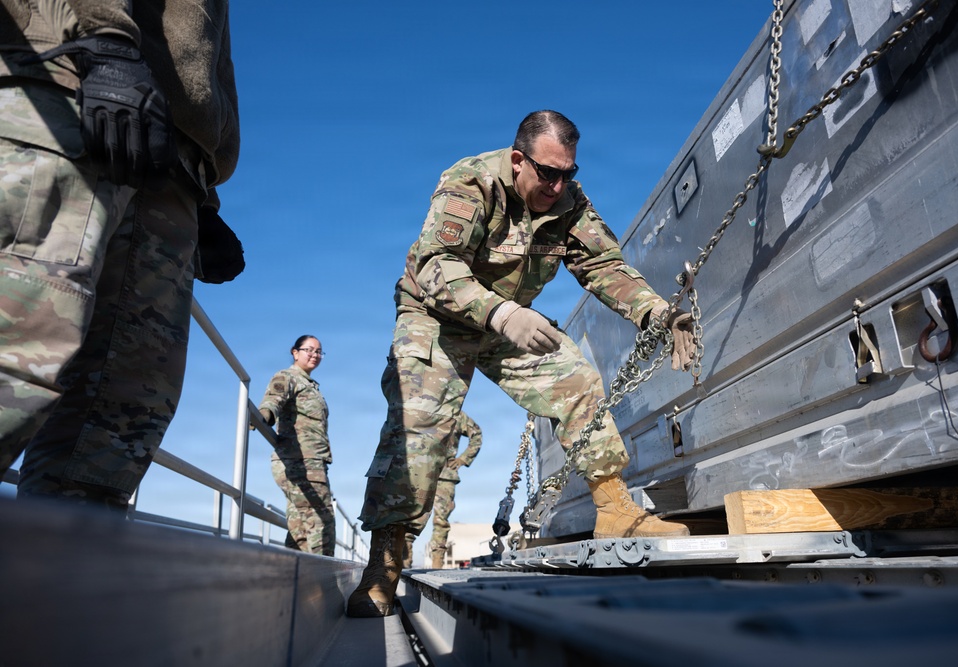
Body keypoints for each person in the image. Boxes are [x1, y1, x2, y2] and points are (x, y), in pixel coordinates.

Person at [347, 110, 696, 617]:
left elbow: (602, 265)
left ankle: (615, 509)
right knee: (418, 427)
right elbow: (435, 264)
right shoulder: (471, 182)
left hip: (506, 320)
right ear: (518, 160)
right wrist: (502, 312)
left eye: (569, 174)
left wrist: (656, 312)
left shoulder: (568, 203)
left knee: (575, 378)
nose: (558, 185)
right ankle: (383, 563)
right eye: (548, 173)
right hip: (438, 315)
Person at [0, 0, 241, 511]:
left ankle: (58, 580)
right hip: (71, 83)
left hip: (172, 158)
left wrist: (206, 190)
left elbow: (202, 48)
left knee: (120, 414)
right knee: (18, 358)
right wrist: (105, 39)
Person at [257, 336, 336, 556]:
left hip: (309, 462)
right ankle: (323, 586)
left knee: (300, 529)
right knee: (323, 521)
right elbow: (274, 398)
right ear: (295, 352)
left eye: (319, 352)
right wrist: (264, 416)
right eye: (309, 350)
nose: (314, 355)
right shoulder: (288, 376)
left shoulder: (310, 385)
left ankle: (292, 583)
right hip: (301, 462)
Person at [402, 410, 482, 569]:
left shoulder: (456, 413)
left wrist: (463, 459)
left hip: (445, 476)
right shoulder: (423, 408)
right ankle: (404, 561)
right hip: (419, 473)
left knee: (440, 520)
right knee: (411, 517)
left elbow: (477, 434)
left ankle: (437, 562)